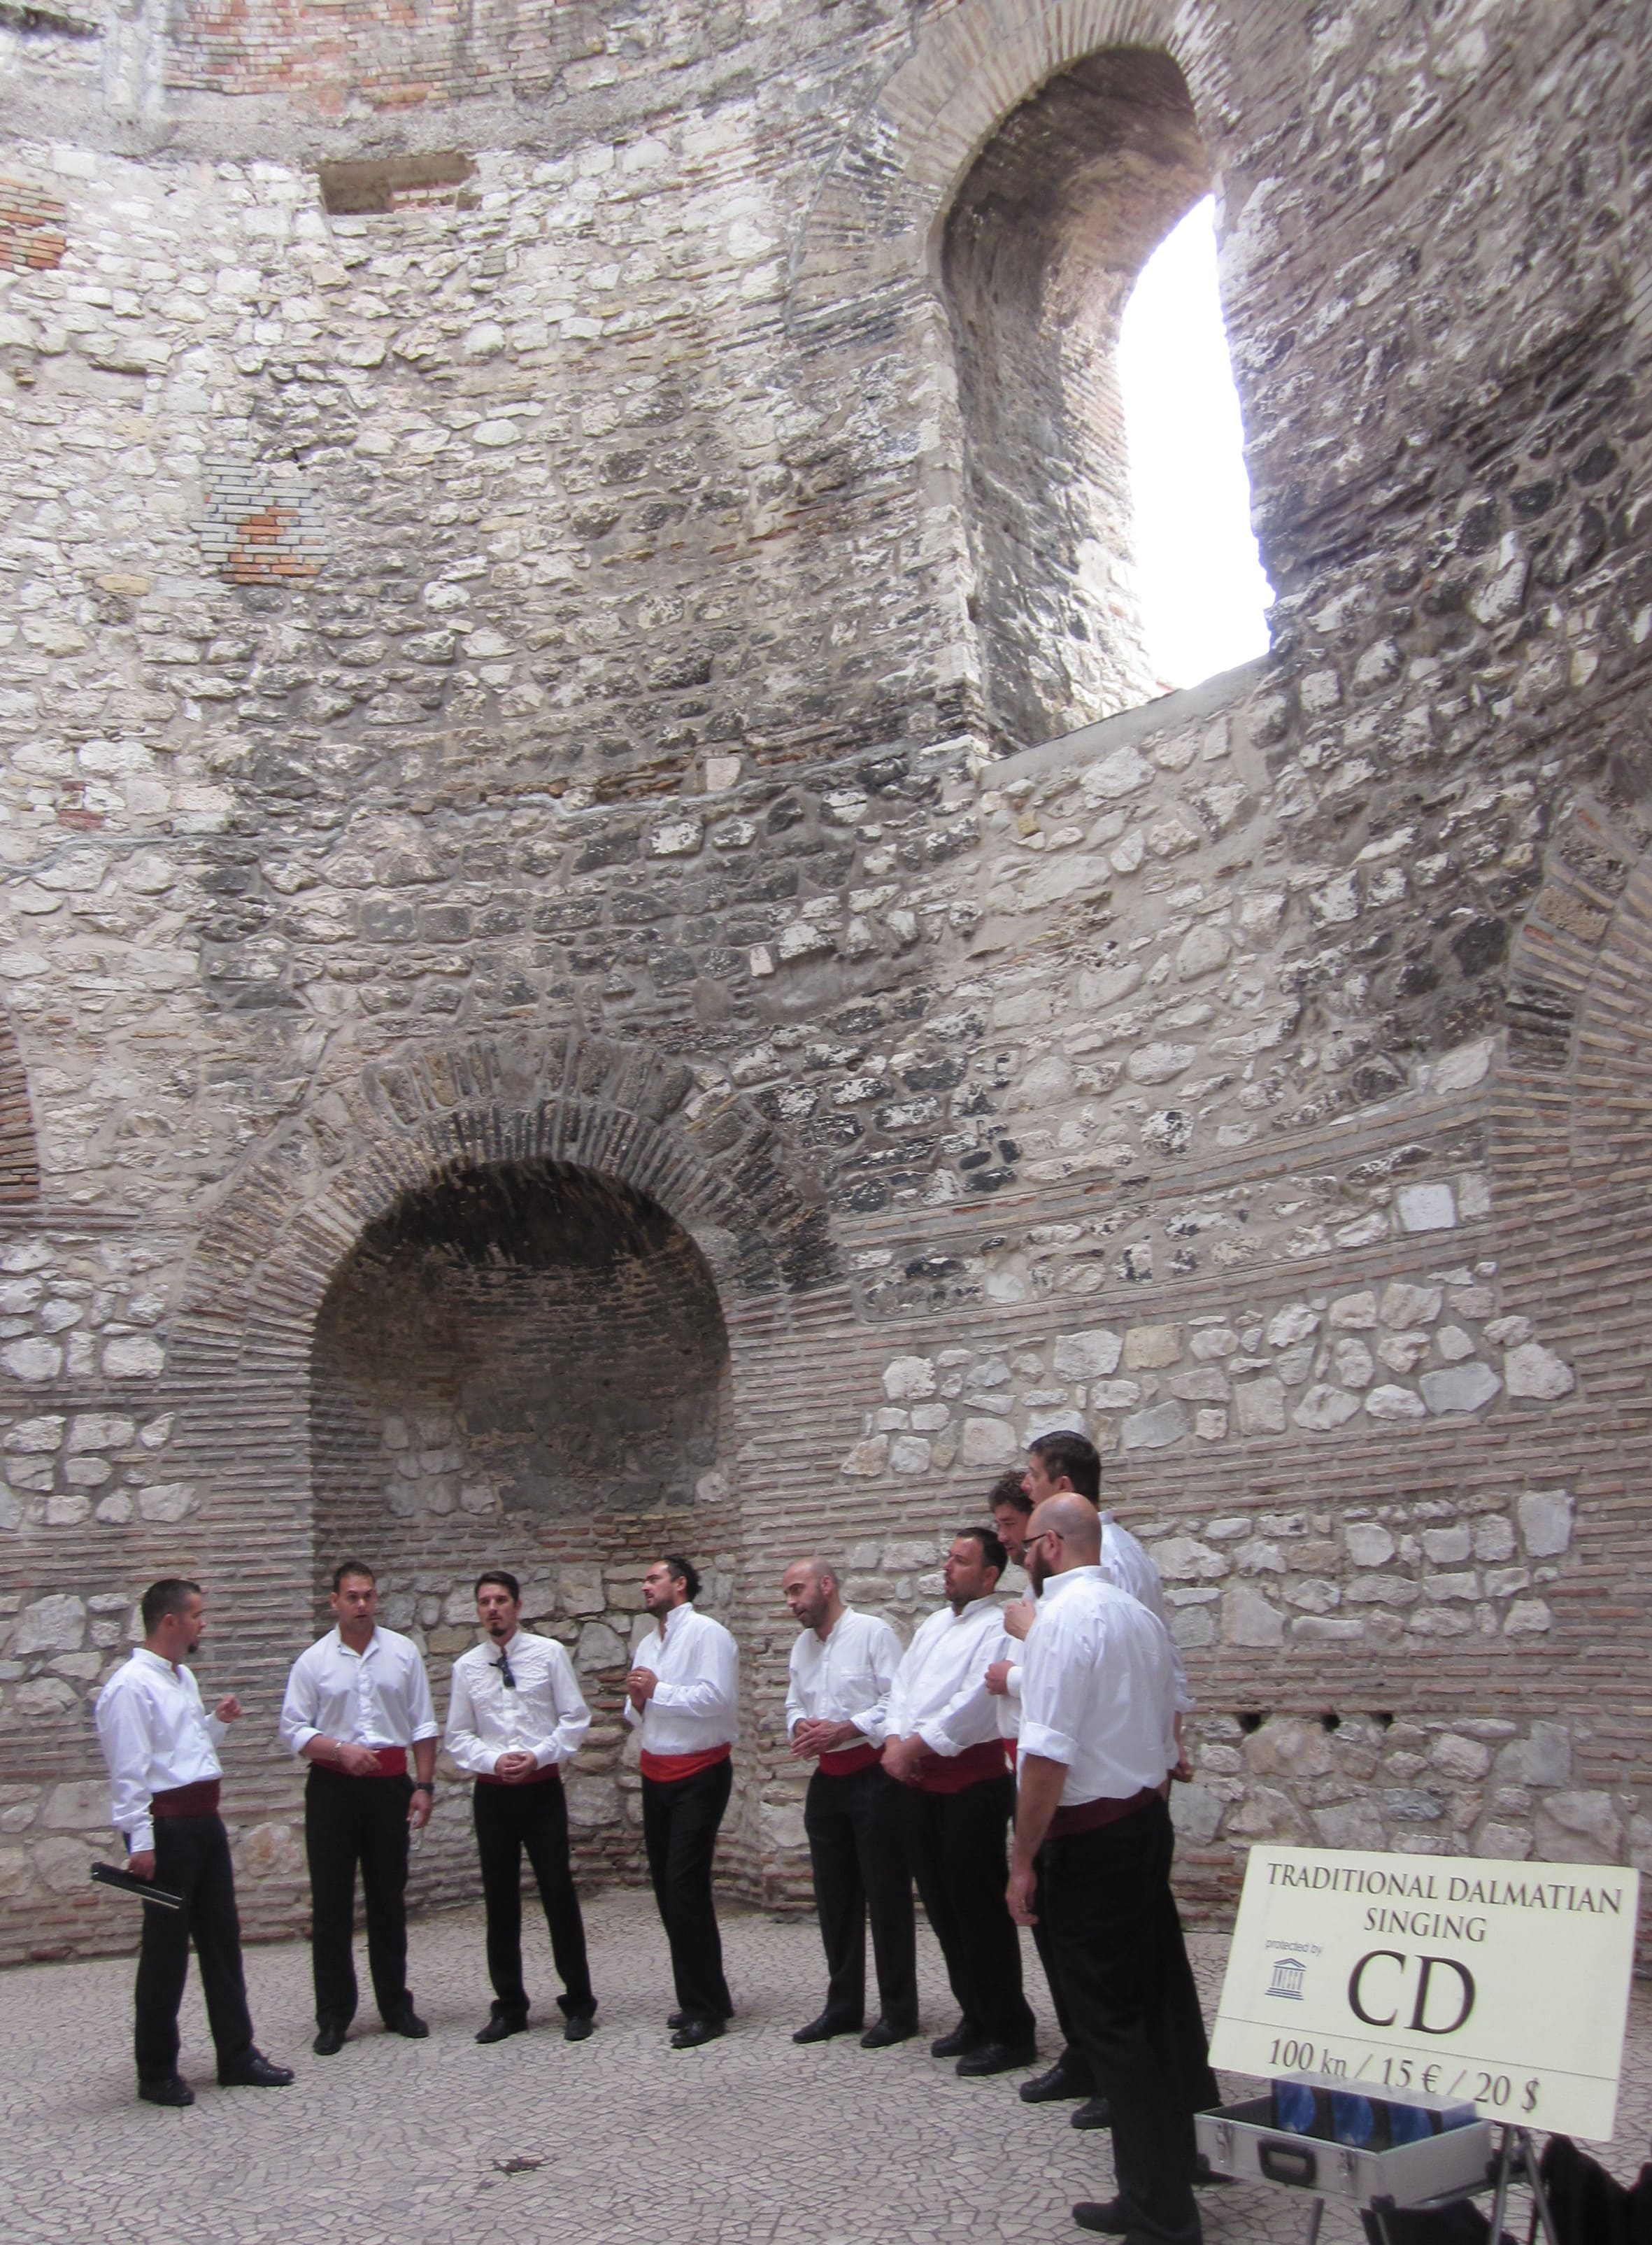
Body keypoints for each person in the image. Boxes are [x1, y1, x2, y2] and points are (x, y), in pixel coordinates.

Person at [1007, 1494, 1218, 2244]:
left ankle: (1161, 2214)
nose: (1022, 1556)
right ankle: (1167, 2174)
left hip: (1091, 1838)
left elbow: (1046, 1756)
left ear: (1051, 1545)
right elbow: (1165, 1734)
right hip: (1141, 1823)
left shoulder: (1061, 1621)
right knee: (1149, 2008)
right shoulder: (1139, 1616)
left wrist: (1022, 1859)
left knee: (1111, 2023)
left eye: (1026, 1544)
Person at [94, 1577, 294, 2106]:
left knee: (222, 1940)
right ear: (171, 1621)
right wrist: (140, 1841)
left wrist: (215, 1723)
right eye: (198, 1615)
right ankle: (156, 2069)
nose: (204, 1624)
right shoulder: (131, 1687)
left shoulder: (181, 1677)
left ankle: (237, 2054)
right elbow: (130, 1771)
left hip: (204, 1822)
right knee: (166, 1952)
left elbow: (186, 1750)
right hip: (168, 1830)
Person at [883, 1526, 1037, 2078]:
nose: (947, 1567)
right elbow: (902, 1687)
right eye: (948, 1558)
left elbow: (975, 1703)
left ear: (990, 1574)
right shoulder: (931, 1625)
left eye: (961, 1560)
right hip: (919, 1781)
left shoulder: (1001, 1626)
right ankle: (974, 2012)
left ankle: (1010, 2029)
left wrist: (915, 1745)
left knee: (978, 1911)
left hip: (971, 1783)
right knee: (943, 1907)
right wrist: (896, 1739)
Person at [985, 1470, 1106, 2128]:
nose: (1008, 1540)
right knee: (1053, 1933)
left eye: (1013, 1527)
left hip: (1077, 1786)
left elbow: (1073, 1676)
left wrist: (1015, 1670)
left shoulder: (1079, 1596)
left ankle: (1109, 2063)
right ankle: (1081, 2049)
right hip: (1028, 1767)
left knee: (1088, 1941)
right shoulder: (1036, 1596)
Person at [278, 1559, 438, 2054]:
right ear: (335, 1601)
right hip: (333, 1789)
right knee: (331, 1903)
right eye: (352, 1596)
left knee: (388, 1898)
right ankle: (333, 2015)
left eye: (368, 1595)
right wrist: (338, 1750)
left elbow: (423, 1724)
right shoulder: (313, 1662)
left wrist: (424, 1786)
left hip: (390, 1787)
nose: (362, 1604)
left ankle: (395, 2004)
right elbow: (294, 1729)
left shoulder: (403, 1653)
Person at [446, 1568, 598, 2045]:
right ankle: (509, 2005)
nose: (493, 1609)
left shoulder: (549, 1654)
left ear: (517, 1605)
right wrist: (492, 1759)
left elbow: (574, 1717)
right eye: (485, 1602)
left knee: (557, 1891)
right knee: (500, 1898)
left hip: (541, 1789)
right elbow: (458, 1735)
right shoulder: (467, 1667)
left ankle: (579, 2001)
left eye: (501, 1600)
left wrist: (539, 1754)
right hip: (493, 1794)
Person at [781, 1556, 916, 2049]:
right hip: (828, 1782)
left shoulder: (873, 1632)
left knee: (886, 1896)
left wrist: (847, 1728)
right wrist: (799, 1724)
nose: (792, 1603)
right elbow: (793, 1701)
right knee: (834, 1898)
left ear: (826, 1585)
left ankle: (899, 2011)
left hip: (873, 1778)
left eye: (797, 1590)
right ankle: (843, 2007)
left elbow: (897, 1700)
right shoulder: (802, 1646)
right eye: (787, 1594)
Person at [625, 1553, 739, 2048]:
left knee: (684, 1886)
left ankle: (705, 2011)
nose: (645, 1586)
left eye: (653, 1578)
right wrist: (640, 1701)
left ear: (681, 1584)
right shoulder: (648, 1642)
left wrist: (659, 1690)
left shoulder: (709, 1634)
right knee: (668, 1890)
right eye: (644, 1579)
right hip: (657, 1773)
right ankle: (704, 1994)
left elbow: (717, 1698)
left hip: (700, 1773)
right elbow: (639, 1713)